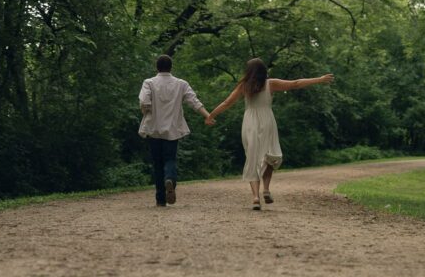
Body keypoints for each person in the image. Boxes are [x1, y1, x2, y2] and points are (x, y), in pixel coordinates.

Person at [207, 58, 334, 210]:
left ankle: (255, 198)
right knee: (270, 155)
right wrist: (319, 79)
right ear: (263, 71)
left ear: (248, 71)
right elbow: (296, 83)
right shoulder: (270, 84)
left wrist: (211, 115)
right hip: (267, 120)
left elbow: (227, 103)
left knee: (252, 157)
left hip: (250, 123)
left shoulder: (244, 86)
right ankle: (266, 189)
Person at [138, 54, 215, 207]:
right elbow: (194, 101)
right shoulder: (181, 84)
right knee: (170, 159)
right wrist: (208, 116)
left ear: (157, 67)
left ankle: (160, 200)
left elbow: (144, 102)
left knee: (157, 163)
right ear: (171, 67)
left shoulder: (149, 83)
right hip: (172, 129)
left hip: (153, 128)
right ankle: (170, 179)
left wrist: (145, 111)